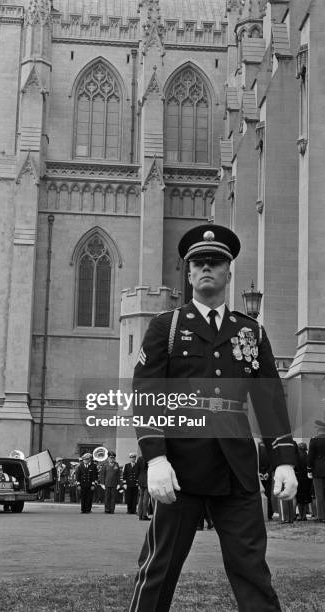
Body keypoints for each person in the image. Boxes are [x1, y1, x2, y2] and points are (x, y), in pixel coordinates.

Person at [129, 224, 298, 612]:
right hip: (180, 470)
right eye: (199, 263)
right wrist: (155, 456)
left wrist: (285, 459)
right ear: (188, 273)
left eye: (216, 261)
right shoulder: (166, 327)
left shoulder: (250, 331)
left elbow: (270, 400)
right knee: (159, 569)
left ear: (228, 271)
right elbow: (147, 395)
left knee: (252, 571)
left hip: (236, 469)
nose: (207, 267)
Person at [308, 419, 325, 522]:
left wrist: (309, 469)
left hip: (317, 470)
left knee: (319, 495)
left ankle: (321, 516)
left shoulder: (314, 440)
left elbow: (310, 457)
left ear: (318, 429)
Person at [295, 442, 312, 521]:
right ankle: (304, 515)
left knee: (299, 498)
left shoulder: (297, 456)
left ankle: (300, 515)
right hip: (307, 479)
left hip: (298, 478)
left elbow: (295, 467)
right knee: (305, 498)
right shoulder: (307, 455)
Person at [258, 440, 274, 520]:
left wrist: (259, 473)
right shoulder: (270, 447)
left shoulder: (257, 446)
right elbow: (272, 462)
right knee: (267, 494)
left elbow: (255, 461)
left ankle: (264, 514)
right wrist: (268, 472)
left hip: (261, 474)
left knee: (260, 495)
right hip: (266, 474)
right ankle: (269, 514)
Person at [134, 455, 150, 521]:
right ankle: (144, 515)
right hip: (147, 478)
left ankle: (140, 514)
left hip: (141, 478)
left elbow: (136, 470)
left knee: (141, 497)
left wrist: (138, 479)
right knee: (146, 498)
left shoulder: (139, 458)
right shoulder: (149, 457)